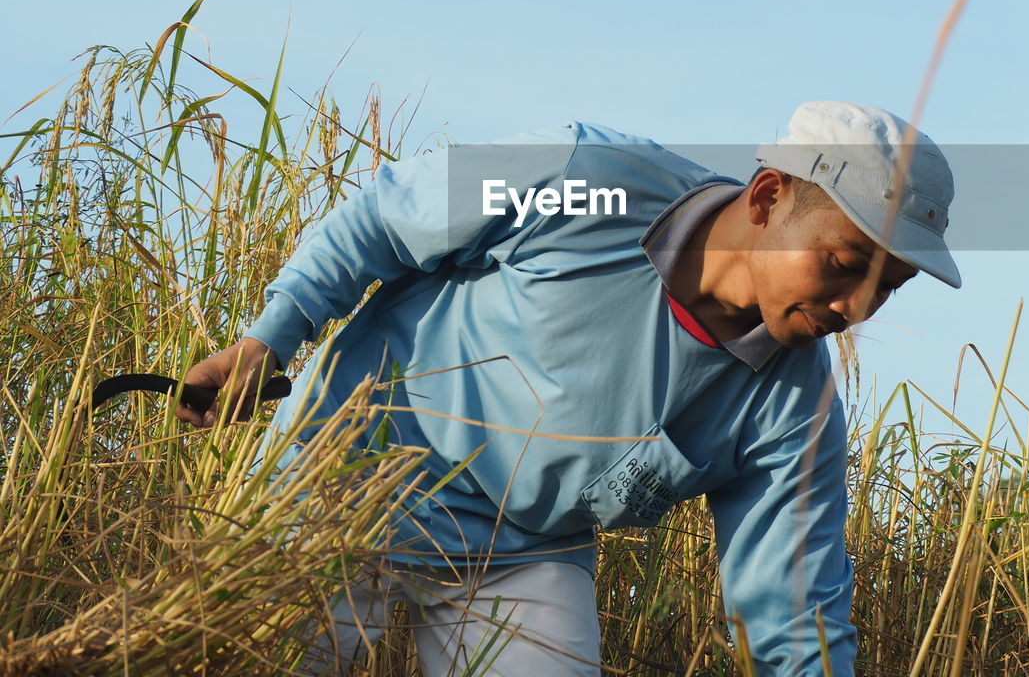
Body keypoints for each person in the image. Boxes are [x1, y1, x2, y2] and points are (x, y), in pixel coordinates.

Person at [177, 100, 961, 676]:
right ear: (766, 201)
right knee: (245, 659)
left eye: (886, 286)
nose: (856, 307)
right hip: (355, 468)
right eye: (844, 264)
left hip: (523, 552)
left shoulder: (793, 409)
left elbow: (793, 620)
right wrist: (265, 343)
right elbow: (383, 221)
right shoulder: (588, 185)